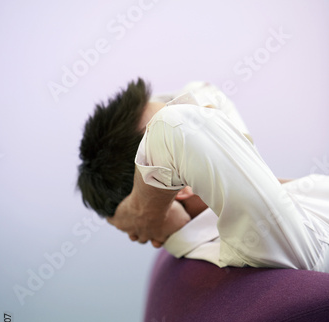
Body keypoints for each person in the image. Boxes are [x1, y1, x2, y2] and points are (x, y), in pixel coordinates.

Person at [77, 78, 329, 272]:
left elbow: (204, 90)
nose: (207, 115)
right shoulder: (253, 240)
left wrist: (148, 202)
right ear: (181, 187)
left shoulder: (260, 215)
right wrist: (146, 209)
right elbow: (178, 126)